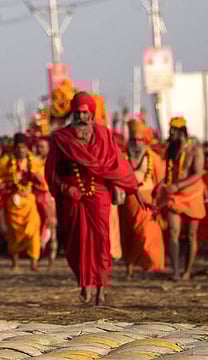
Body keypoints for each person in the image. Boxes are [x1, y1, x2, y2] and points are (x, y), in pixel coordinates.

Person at [45, 92, 145, 305]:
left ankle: (101, 288)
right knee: (77, 244)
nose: (82, 116)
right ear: (73, 113)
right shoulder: (61, 139)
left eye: (85, 112)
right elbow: (51, 172)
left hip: (99, 194)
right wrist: (64, 188)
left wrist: (132, 188)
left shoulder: (104, 135)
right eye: (78, 112)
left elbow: (117, 165)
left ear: (91, 114)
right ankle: (84, 284)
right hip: (74, 196)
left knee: (101, 242)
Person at [154, 117, 206, 281]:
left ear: (181, 132)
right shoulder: (171, 149)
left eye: (173, 132)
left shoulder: (195, 150)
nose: (170, 135)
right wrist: (161, 185)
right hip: (174, 197)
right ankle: (176, 271)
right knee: (173, 233)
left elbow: (197, 174)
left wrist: (178, 185)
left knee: (191, 235)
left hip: (192, 195)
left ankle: (187, 271)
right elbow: (167, 172)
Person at [0, 133, 47, 271]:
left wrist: (36, 178)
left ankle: (34, 263)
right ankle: (15, 263)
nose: (21, 150)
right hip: (12, 202)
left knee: (33, 232)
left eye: (23, 147)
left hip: (29, 201)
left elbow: (44, 180)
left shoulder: (34, 161)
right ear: (14, 148)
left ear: (27, 148)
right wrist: (5, 182)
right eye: (18, 147)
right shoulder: (6, 161)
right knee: (13, 233)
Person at [119, 119, 165, 279]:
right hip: (126, 204)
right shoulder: (122, 157)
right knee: (128, 236)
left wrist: (157, 201)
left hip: (147, 202)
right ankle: (129, 270)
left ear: (144, 141)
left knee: (147, 234)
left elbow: (160, 181)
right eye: (133, 140)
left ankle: (149, 268)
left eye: (140, 140)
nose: (137, 143)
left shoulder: (153, 158)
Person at [36, 138, 58, 268]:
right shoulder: (33, 163)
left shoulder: (54, 163)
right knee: (38, 227)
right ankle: (37, 257)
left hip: (50, 198)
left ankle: (51, 259)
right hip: (37, 198)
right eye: (38, 147)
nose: (40, 149)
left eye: (42, 147)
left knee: (51, 227)